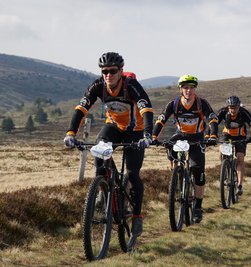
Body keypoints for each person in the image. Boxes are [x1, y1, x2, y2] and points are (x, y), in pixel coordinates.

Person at [63, 52, 154, 238]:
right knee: (99, 151)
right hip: (113, 126)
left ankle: (136, 215)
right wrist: (71, 133)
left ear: (121, 71)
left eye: (112, 71)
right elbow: (81, 109)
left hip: (135, 131)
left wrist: (147, 134)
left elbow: (146, 108)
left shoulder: (131, 86)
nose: (108, 75)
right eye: (104, 71)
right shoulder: (98, 86)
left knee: (132, 173)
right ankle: (102, 189)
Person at [152, 74, 218, 223]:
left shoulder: (202, 104)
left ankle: (198, 207)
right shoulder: (174, 104)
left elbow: (212, 119)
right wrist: (154, 136)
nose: (188, 90)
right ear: (181, 89)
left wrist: (213, 135)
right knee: (170, 150)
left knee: (197, 170)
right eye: (185, 88)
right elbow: (161, 120)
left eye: (191, 88)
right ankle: (178, 174)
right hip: (180, 135)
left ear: (195, 89)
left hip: (197, 137)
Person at [213, 95, 251, 196]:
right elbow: (214, 122)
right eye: (231, 108)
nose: (233, 110)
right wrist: (211, 134)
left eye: (235, 108)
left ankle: (240, 185)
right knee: (221, 153)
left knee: (240, 158)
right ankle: (225, 169)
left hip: (240, 137)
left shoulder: (243, 112)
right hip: (226, 135)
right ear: (228, 107)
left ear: (239, 107)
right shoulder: (223, 112)